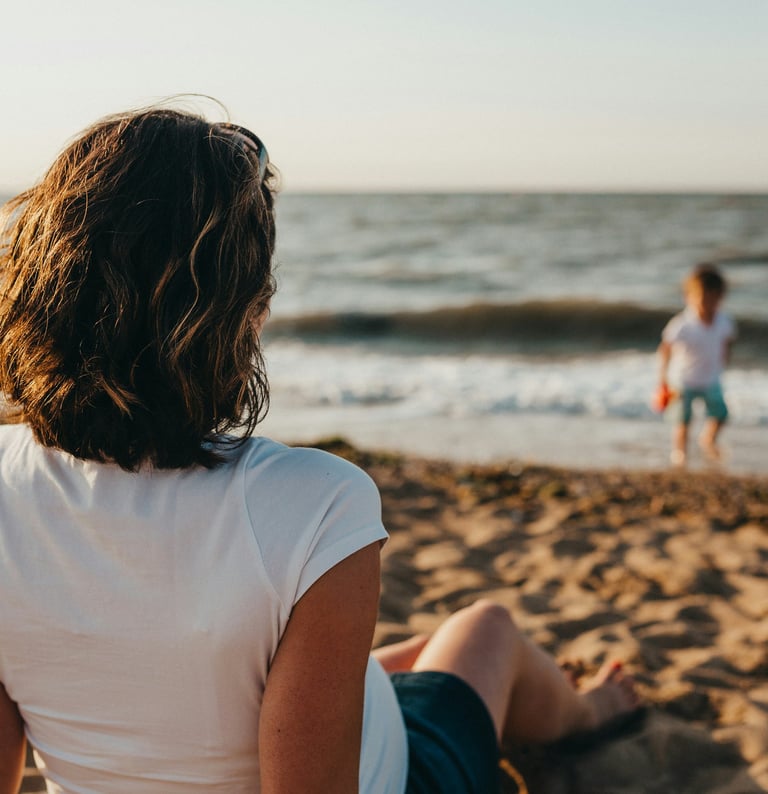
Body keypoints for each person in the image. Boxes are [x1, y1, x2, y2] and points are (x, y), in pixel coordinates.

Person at [0, 105, 639, 794]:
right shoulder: (316, 502)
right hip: (404, 777)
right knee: (487, 631)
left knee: (406, 658)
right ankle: (594, 714)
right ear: (245, 312)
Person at [657, 264, 737, 467]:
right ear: (689, 297)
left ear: (720, 298)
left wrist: (723, 361)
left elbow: (727, 341)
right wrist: (662, 379)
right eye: (703, 299)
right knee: (683, 420)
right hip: (683, 380)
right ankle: (680, 454)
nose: (708, 304)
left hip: (710, 378)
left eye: (713, 299)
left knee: (721, 414)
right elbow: (665, 349)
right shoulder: (682, 324)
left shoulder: (724, 321)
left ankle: (707, 439)